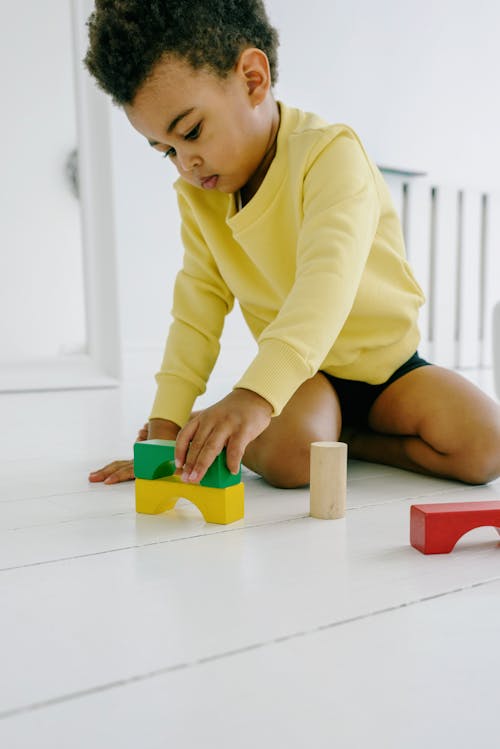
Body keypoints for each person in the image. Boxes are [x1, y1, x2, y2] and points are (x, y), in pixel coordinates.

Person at [86, 0, 500, 490]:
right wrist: (164, 433)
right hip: (304, 381)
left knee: (486, 448)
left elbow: (324, 289)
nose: (186, 164)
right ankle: (290, 434)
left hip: (388, 370)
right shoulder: (200, 200)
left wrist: (255, 396)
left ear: (253, 79)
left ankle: (349, 441)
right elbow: (195, 314)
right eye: (168, 151)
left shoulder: (331, 155)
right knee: (291, 461)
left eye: (192, 132)